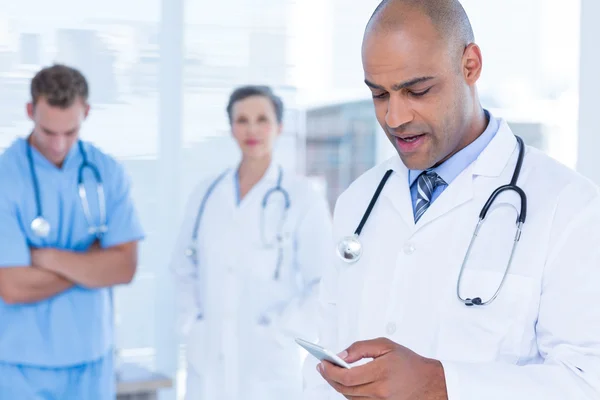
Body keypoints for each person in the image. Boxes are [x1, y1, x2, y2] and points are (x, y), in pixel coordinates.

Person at [302, 0, 600, 399]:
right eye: (379, 95)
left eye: (417, 90)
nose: (394, 117)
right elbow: (324, 359)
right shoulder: (359, 201)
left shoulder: (570, 208)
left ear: (470, 65)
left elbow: (586, 381)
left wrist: (442, 385)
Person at [170, 85, 334, 399]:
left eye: (262, 119)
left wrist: (279, 331)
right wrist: (192, 325)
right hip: (209, 356)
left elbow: (323, 282)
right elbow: (182, 267)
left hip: (269, 361)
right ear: (231, 128)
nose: (252, 129)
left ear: (279, 127)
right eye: (242, 120)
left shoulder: (301, 197)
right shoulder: (206, 194)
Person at [0, 64, 145, 399]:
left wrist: (47, 258)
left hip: (92, 362)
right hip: (20, 367)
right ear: (29, 111)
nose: (59, 144)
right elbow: (11, 287)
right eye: (48, 131)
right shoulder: (6, 177)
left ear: (87, 113)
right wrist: (92, 264)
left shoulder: (106, 172)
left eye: (70, 132)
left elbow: (124, 267)